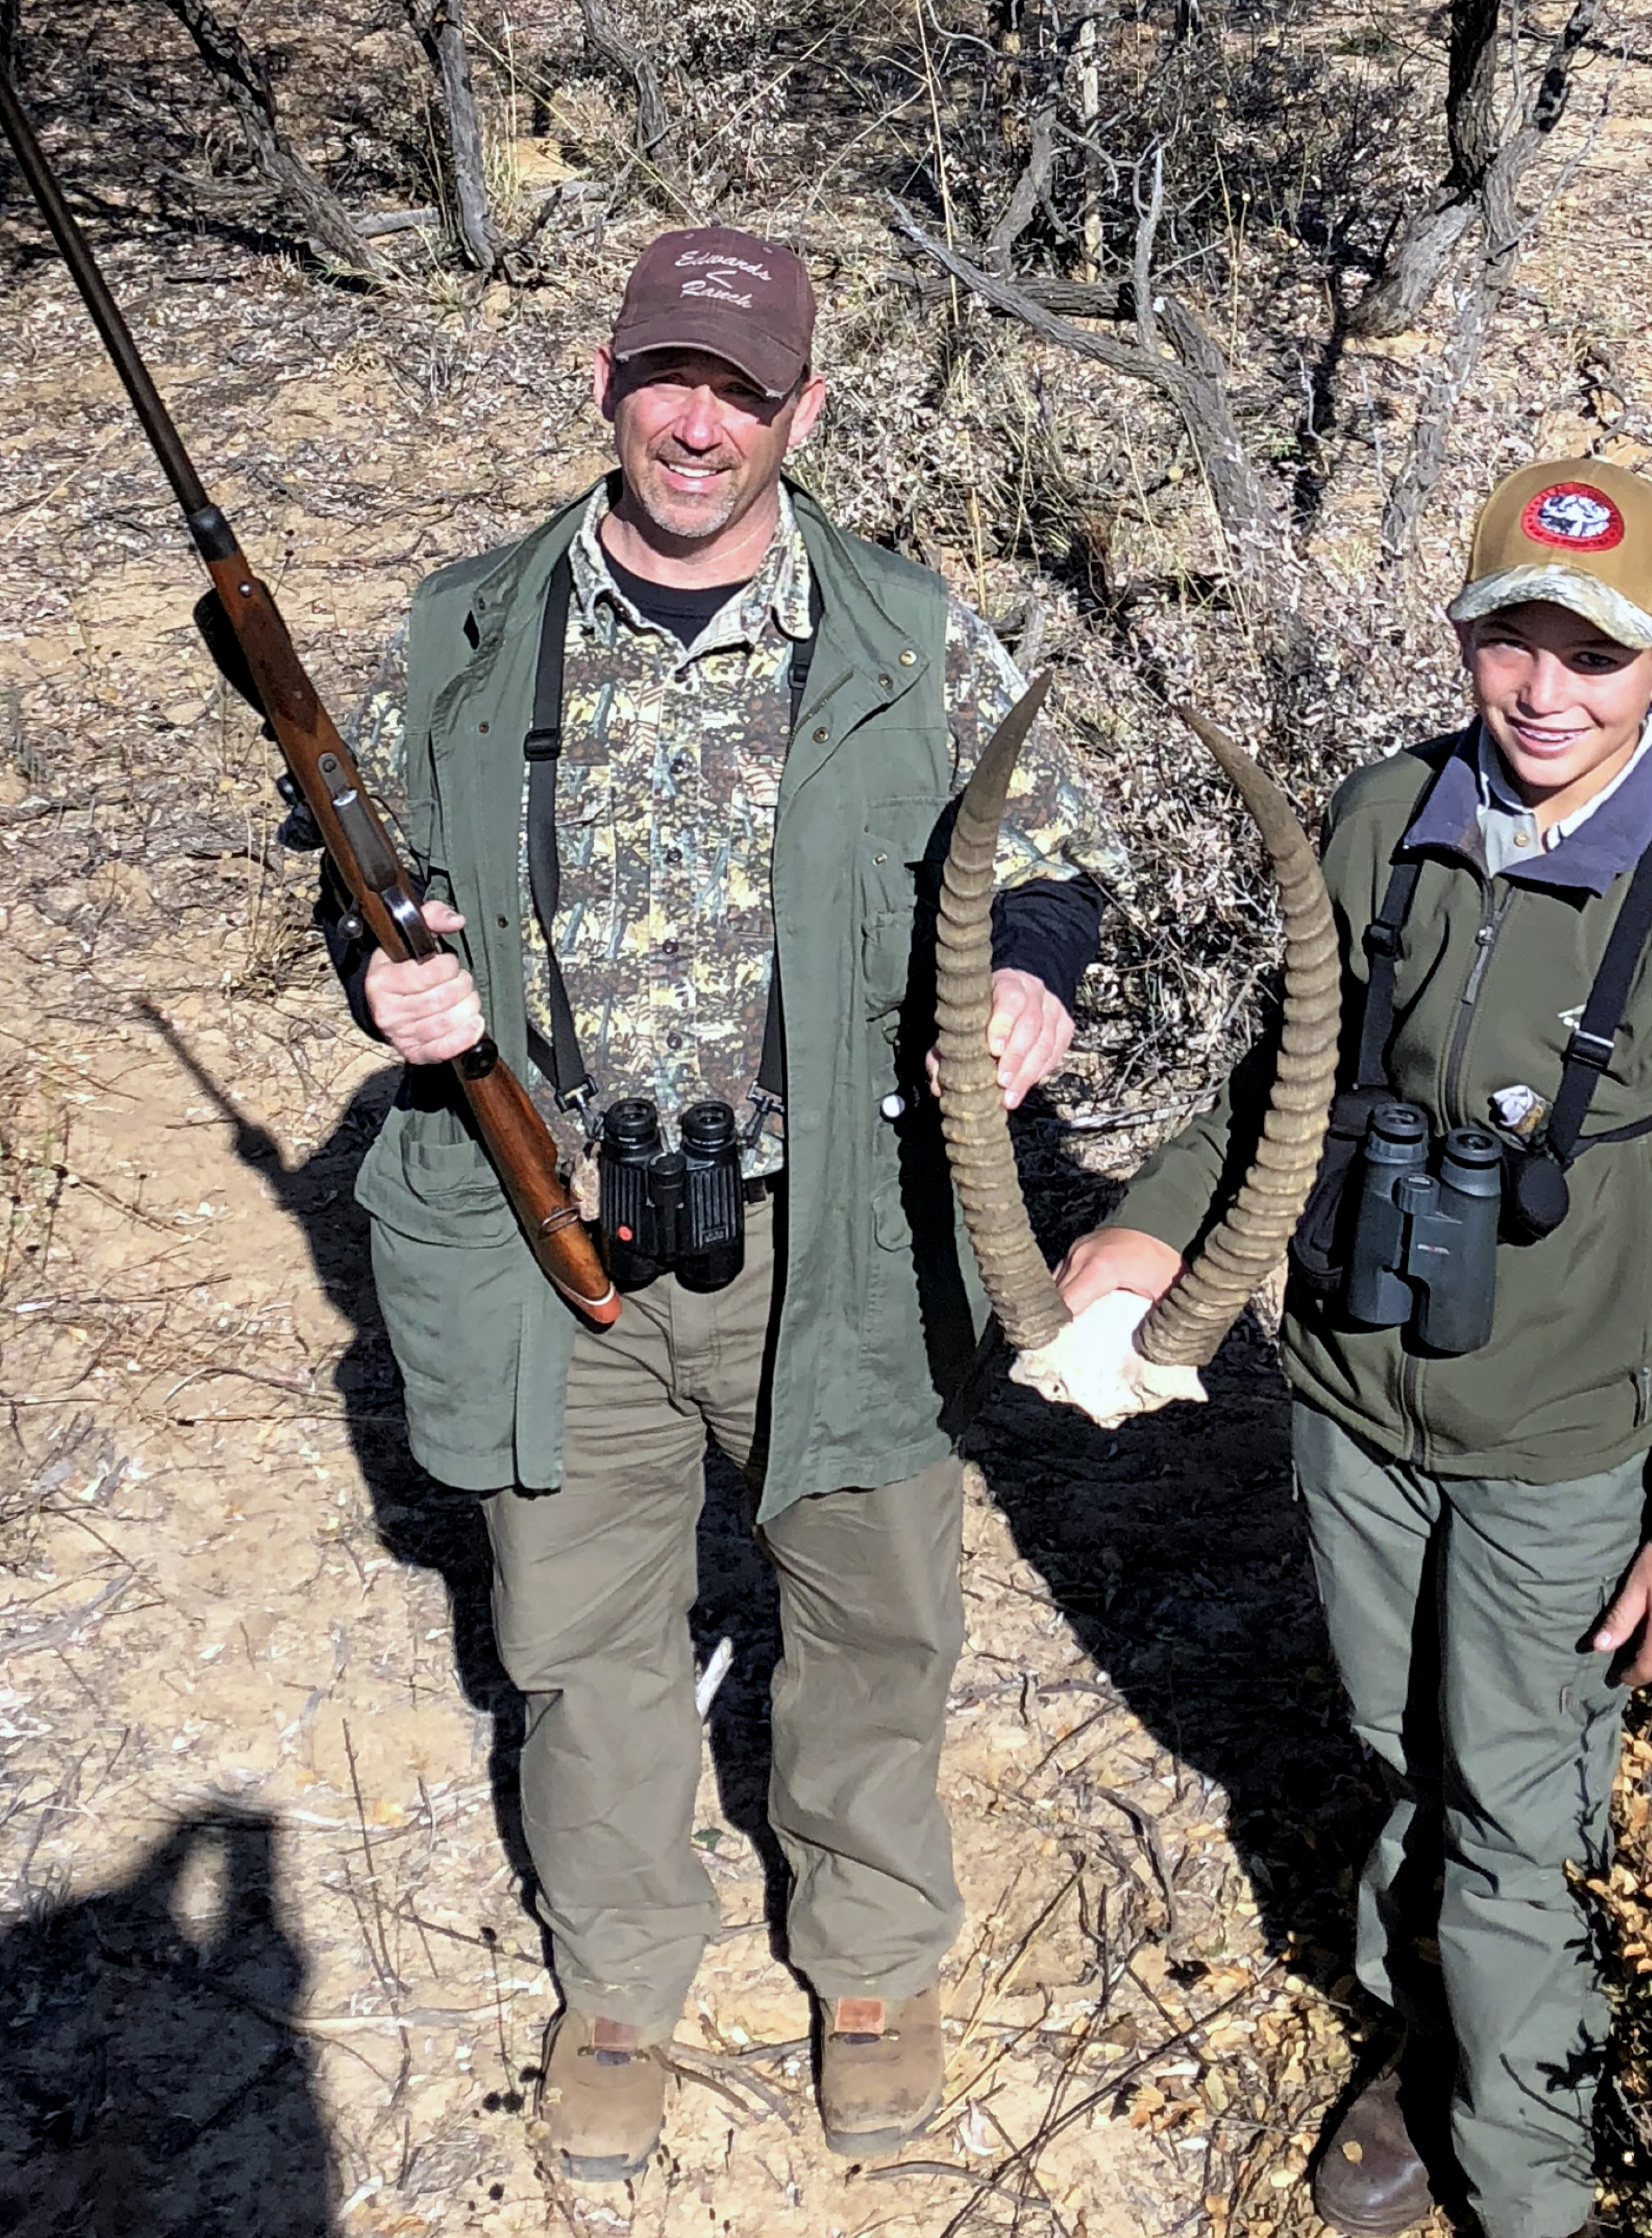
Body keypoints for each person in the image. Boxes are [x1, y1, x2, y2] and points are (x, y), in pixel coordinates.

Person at [335, 225, 1120, 2184]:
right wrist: (393, 977)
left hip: (832, 1226)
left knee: (872, 1612)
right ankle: (616, 1979)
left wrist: (1026, 965)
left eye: (742, 391)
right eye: (666, 379)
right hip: (560, 1231)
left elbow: (1051, 847)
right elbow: (373, 867)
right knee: (578, 1632)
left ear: (804, 410)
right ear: (606, 378)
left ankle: (868, 1957)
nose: (696, 424)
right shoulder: (465, 624)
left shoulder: (905, 626)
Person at [1057, 460, 1652, 2238]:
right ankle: (1425, 2049)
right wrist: (1158, 1210)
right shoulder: (1382, 812)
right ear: (1461, 636)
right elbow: (1285, 1082)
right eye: (1509, 641)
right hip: (1347, 1405)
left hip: (1562, 1450)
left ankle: (1527, 2175)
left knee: (1516, 1813)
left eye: (1593, 653)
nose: (1543, 691)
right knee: (1400, 1746)